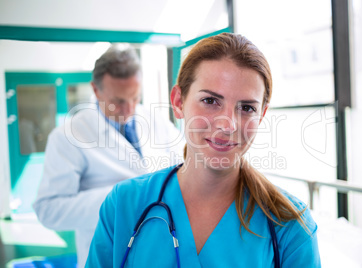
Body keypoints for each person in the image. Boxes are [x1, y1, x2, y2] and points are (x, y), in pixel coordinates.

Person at [86, 33, 321, 267]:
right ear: (178, 102)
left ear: (261, 115)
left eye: (247, 107)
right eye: (210, 101)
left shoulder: (290, 226)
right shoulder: (124, 205)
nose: (228, 124)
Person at [33, 44, 184, 268]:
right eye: (119, 101)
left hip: (161, 252)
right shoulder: (68, 136)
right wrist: (122, 196)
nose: (129, 109)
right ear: (95, 90)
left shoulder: (156, 121)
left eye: (135, 98)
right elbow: (48, 210)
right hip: (107, 256)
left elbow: (183, 166)